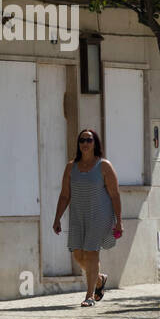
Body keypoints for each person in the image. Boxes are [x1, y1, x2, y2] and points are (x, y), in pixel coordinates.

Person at [52, 128, 122, 307]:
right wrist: (57, 217)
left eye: (89, 140)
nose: (85, 143)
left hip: (100, 214)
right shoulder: (71, 167)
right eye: (82, 140)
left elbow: (115, 195)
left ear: (95, 143)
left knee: (91, 252)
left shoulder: (104, 166)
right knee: (77, 254)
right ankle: (98, 279)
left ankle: (89, 296)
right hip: (78, 215)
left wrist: (119, 221)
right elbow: (65, 195)